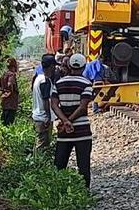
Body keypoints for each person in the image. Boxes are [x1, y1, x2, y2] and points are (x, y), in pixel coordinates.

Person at [51, 53, 94, 188]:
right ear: (84, 66)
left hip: (64, 131)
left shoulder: (58, 83)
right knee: (83, 165)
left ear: (69, 66)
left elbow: (54, 105)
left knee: (59, 164)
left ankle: (57, 192)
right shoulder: (86, 83)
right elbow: (82, 107)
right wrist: (69, 121)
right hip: (82, 130)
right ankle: (84, 193)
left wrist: (64, 121)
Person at [32, 54, 57, 152]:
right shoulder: (44, 81)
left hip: (38, 116)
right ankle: (38, 165)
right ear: (51, 66)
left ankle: (37, 164)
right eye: (54, 66)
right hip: (43, 118)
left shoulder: (38, 78)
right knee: (42, 145)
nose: (55, 68)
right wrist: (48, 117)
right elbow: (46, 100)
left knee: (40, 143)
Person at [0, 57, 20, 126]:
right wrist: (10, 91)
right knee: (9, 123)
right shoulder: (12, 74)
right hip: (11, 103)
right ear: (14, 66)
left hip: (4, 102)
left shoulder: (5, 74)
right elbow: (10, 83)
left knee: (3, 122)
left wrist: (3, 90)